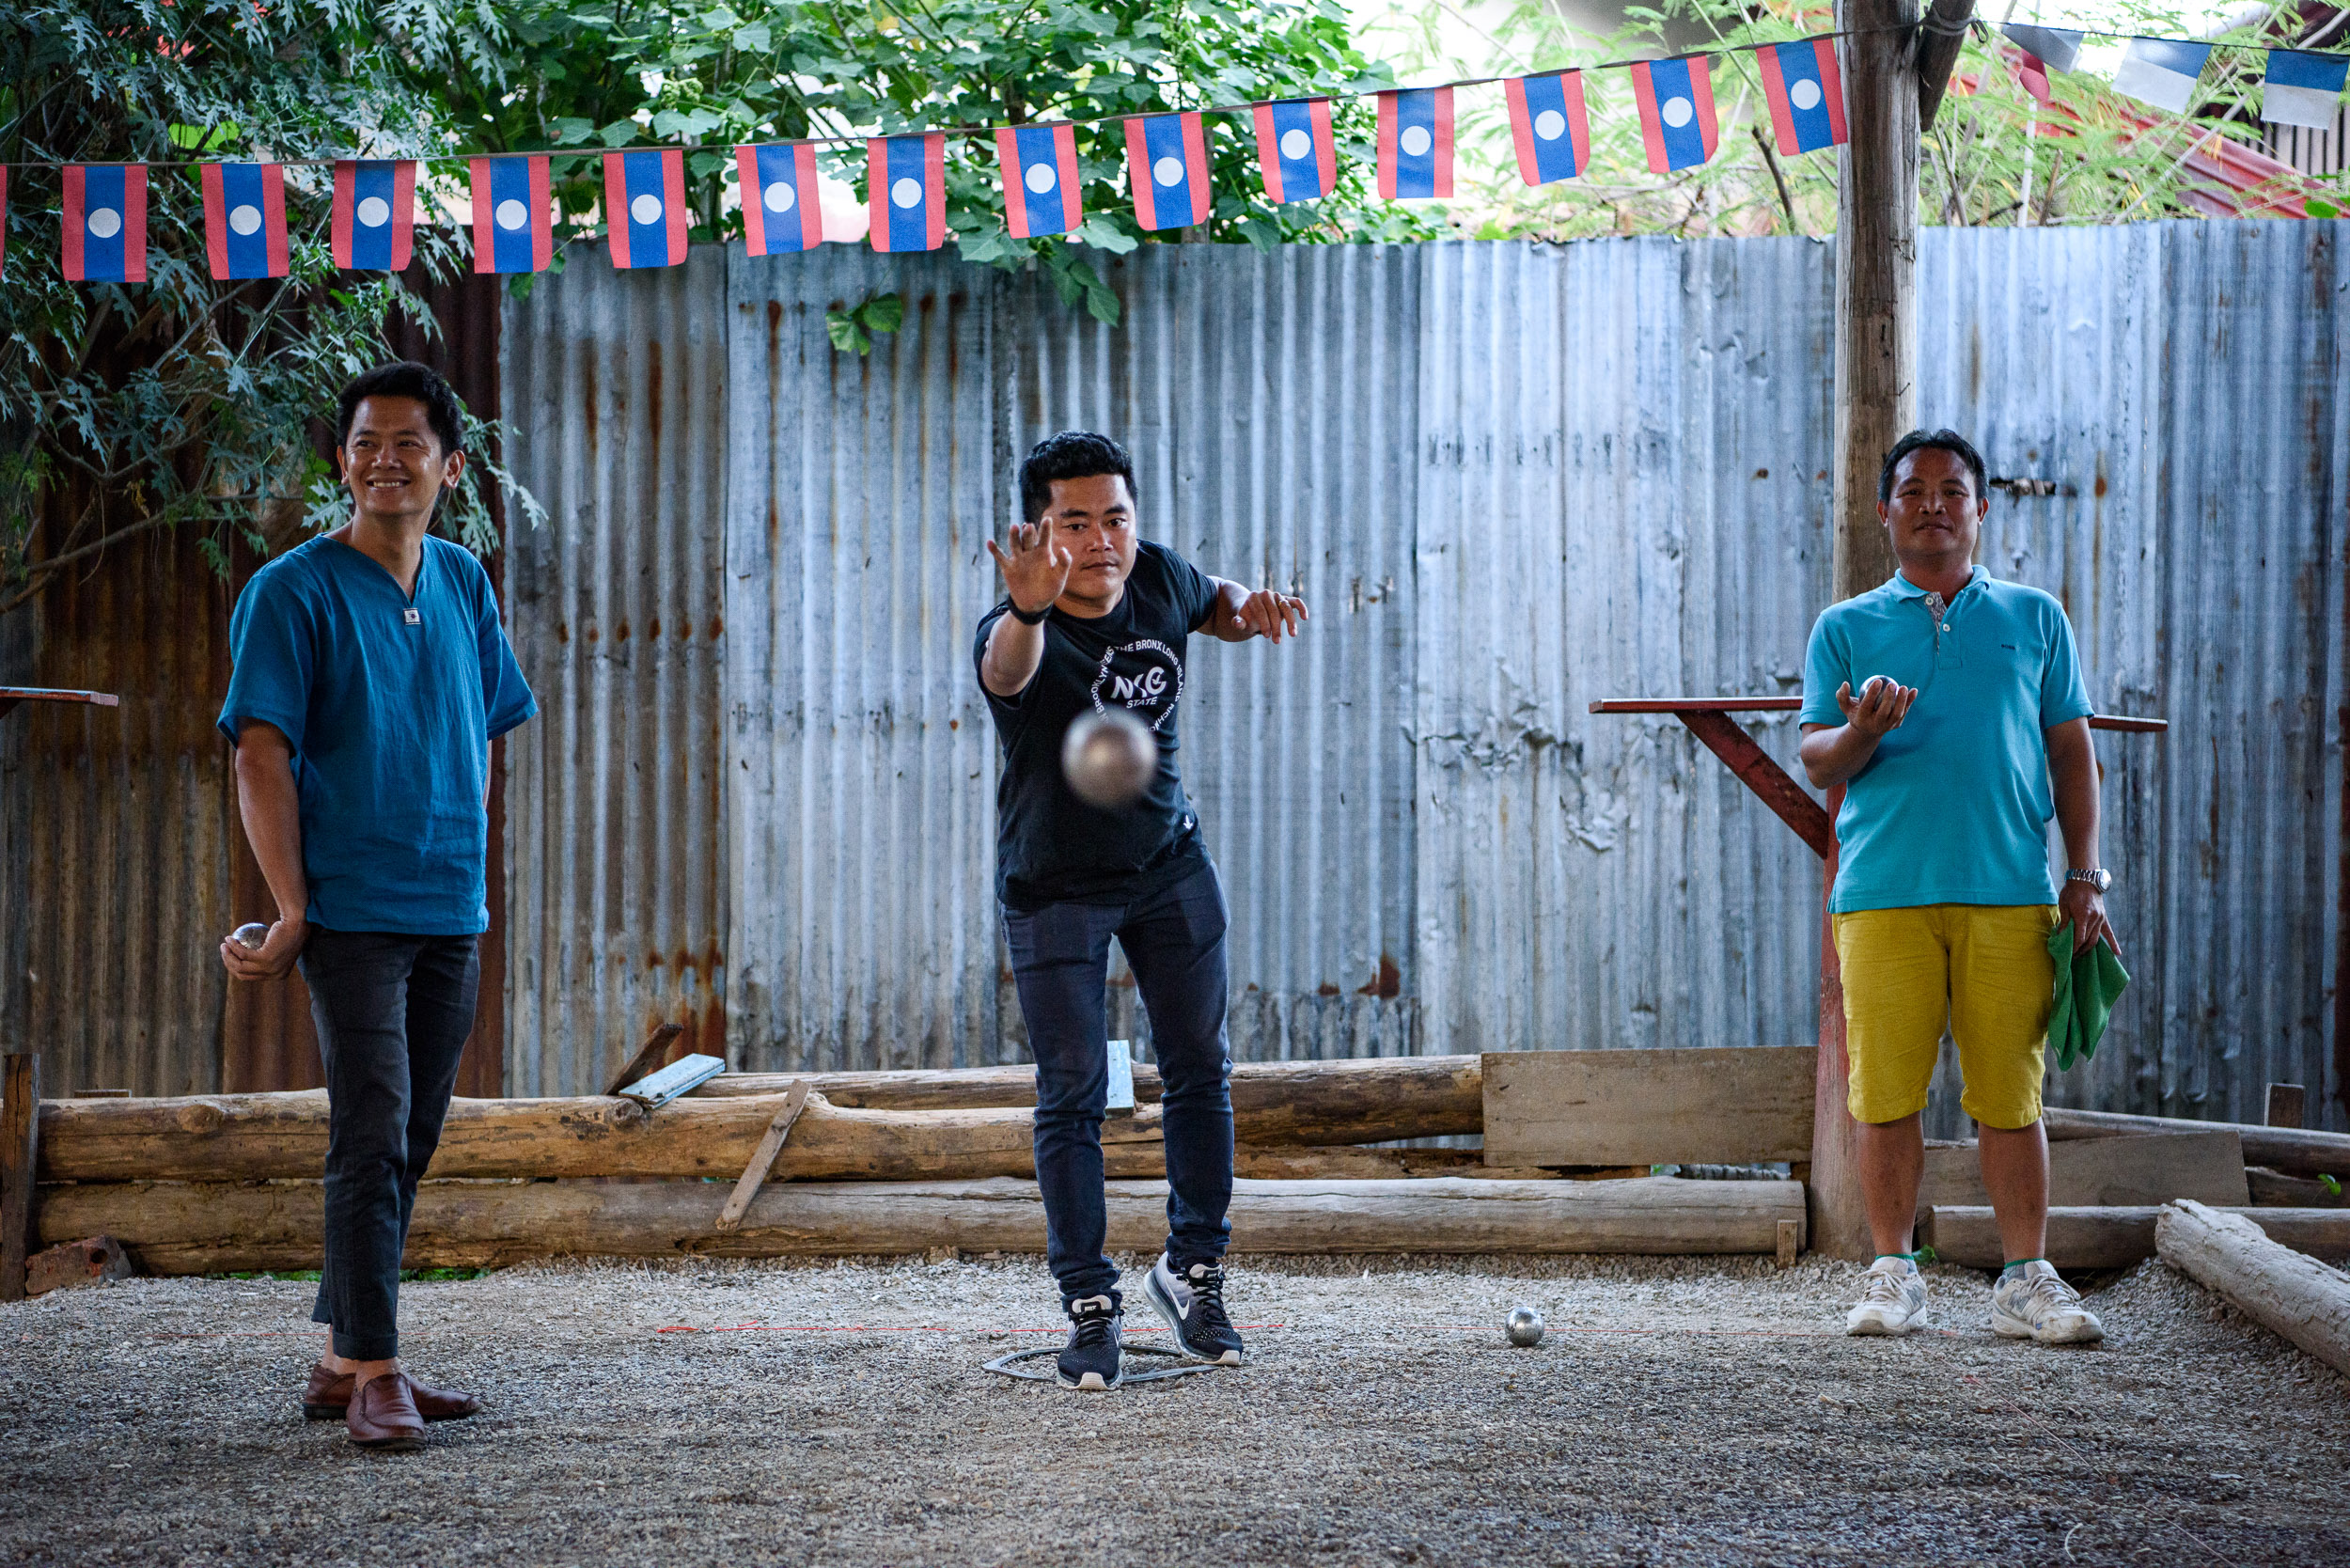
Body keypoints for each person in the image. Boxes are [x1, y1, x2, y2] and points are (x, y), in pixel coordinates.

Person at [217, 361, 537, 1448]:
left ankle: (342, 1358)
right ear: (342, 463)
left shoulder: (462, 580)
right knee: (369, 1129)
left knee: (410, 1134)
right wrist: (291, 907)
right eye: (365, 443)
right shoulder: (292, 590)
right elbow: (259, 755)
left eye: (409, 444)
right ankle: (382, 1371)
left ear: (451, 467)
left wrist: (470, 854)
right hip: (349, 909)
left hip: (451, 903)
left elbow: (483, 728)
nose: (385, 460)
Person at [975, 431, 1308, 1390]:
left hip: (1167, 865)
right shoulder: (1018, 625)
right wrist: (1029, 605)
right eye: (1073, 522)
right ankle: (1088, 1303)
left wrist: (1255, 609)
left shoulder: (1158, 576)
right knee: (1072, 1089)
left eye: (1113, 516)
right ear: (1040, 531)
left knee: (1200, 1066)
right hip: (1054, 886)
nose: (1101, 539)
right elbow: (1005, 670)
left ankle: (1192, 1271)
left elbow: (1217, 600)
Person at [1799, 429, 2117, 1347]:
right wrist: (1862, 729)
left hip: (2010, 893)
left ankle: (2025, 1277)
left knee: (2010, 1096)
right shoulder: (1845, 627)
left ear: (1980, 509)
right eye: (1913, 490)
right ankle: (1893, 1269)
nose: (1932, 503)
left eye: (1951, 490)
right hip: (1883, 895)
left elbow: (2071, 753)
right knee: (1885, 1093)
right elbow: (1819, 756)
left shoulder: (2034, 618)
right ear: (1883, 510)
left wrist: (2084, 875)